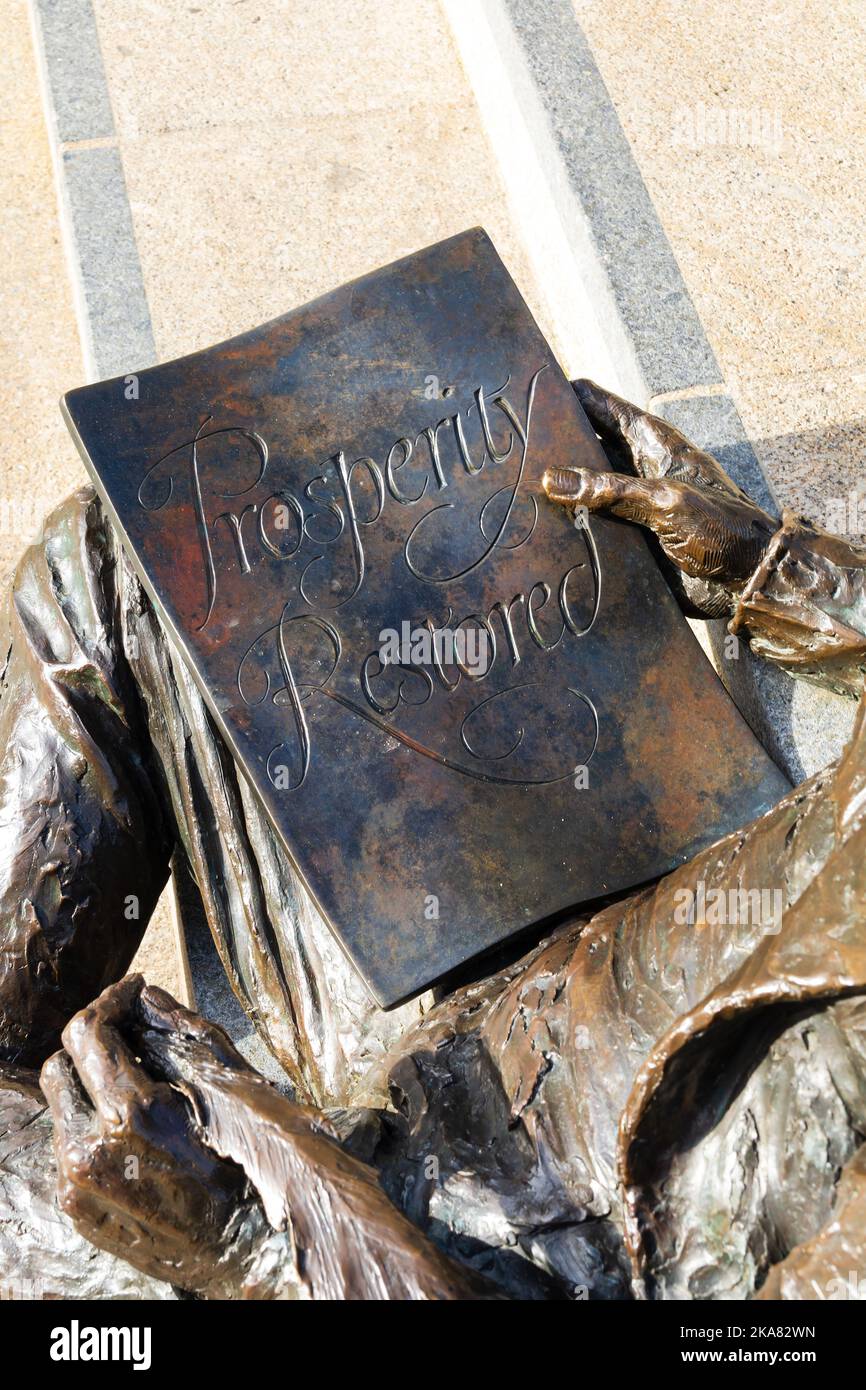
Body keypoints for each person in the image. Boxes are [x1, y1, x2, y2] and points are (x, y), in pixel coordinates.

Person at [1, 382, 865, 1300]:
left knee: (79, 1192)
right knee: (125, 555)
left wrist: (255, 1253)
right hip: (597, 885)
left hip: (451, 1216)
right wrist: (772, 568)